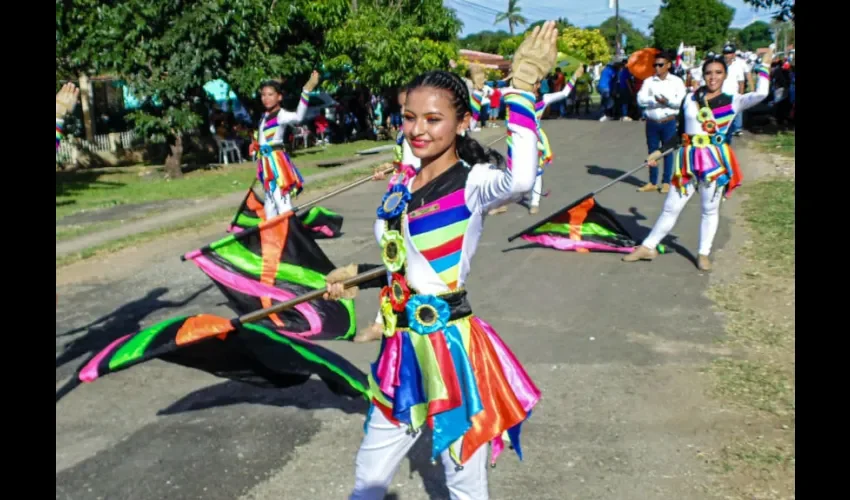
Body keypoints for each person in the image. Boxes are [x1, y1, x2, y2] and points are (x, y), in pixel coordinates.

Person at [322, 21, 560, 500]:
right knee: (369, 472)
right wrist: (360, 277)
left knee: (463, 475)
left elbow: (520, 177)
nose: (417, 130)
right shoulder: (399, 184)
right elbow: (408, 261)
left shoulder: (475, 184)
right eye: (409, 117)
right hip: (400, 350)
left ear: (462, 123)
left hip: (451, 347)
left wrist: (522, 90)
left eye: (433, 119)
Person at [622, 47, 772, 272]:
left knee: (709, 210)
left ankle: (703, 253)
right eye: (709, 72)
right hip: (687, 161)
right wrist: (660, 151)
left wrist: (765, 66)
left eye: (718, 72)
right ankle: (648, 246)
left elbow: (761, 94)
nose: (713, 77)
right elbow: (681, 131)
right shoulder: (690, 98)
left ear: (725, 75)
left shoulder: (734, 101)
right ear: (703, 74)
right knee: (671, 207)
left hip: (713, 163)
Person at [255, 71, 320, 217]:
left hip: (277, 164)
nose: (266, 98)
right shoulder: (264, 117)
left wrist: (306, 92)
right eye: (263, 95)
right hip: (265, 164)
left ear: (279, 97)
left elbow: (298, 116)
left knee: (281, 201)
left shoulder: (281, 115)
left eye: (270, 94)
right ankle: (272, 237)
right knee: (269, 205)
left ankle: (291, 235)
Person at [635, 50, 687, 194]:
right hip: (652, 121)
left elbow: (680, 102)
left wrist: (667, 102)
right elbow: (640, 99)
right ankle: (652, 181)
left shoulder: (676, 81)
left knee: (667, 151)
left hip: (668, 121)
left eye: (660, 65)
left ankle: (666, 182)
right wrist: (654, 101)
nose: (657, 68)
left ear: (668, 65)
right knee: (652, 151)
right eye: (655, 65)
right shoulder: (649, 81)